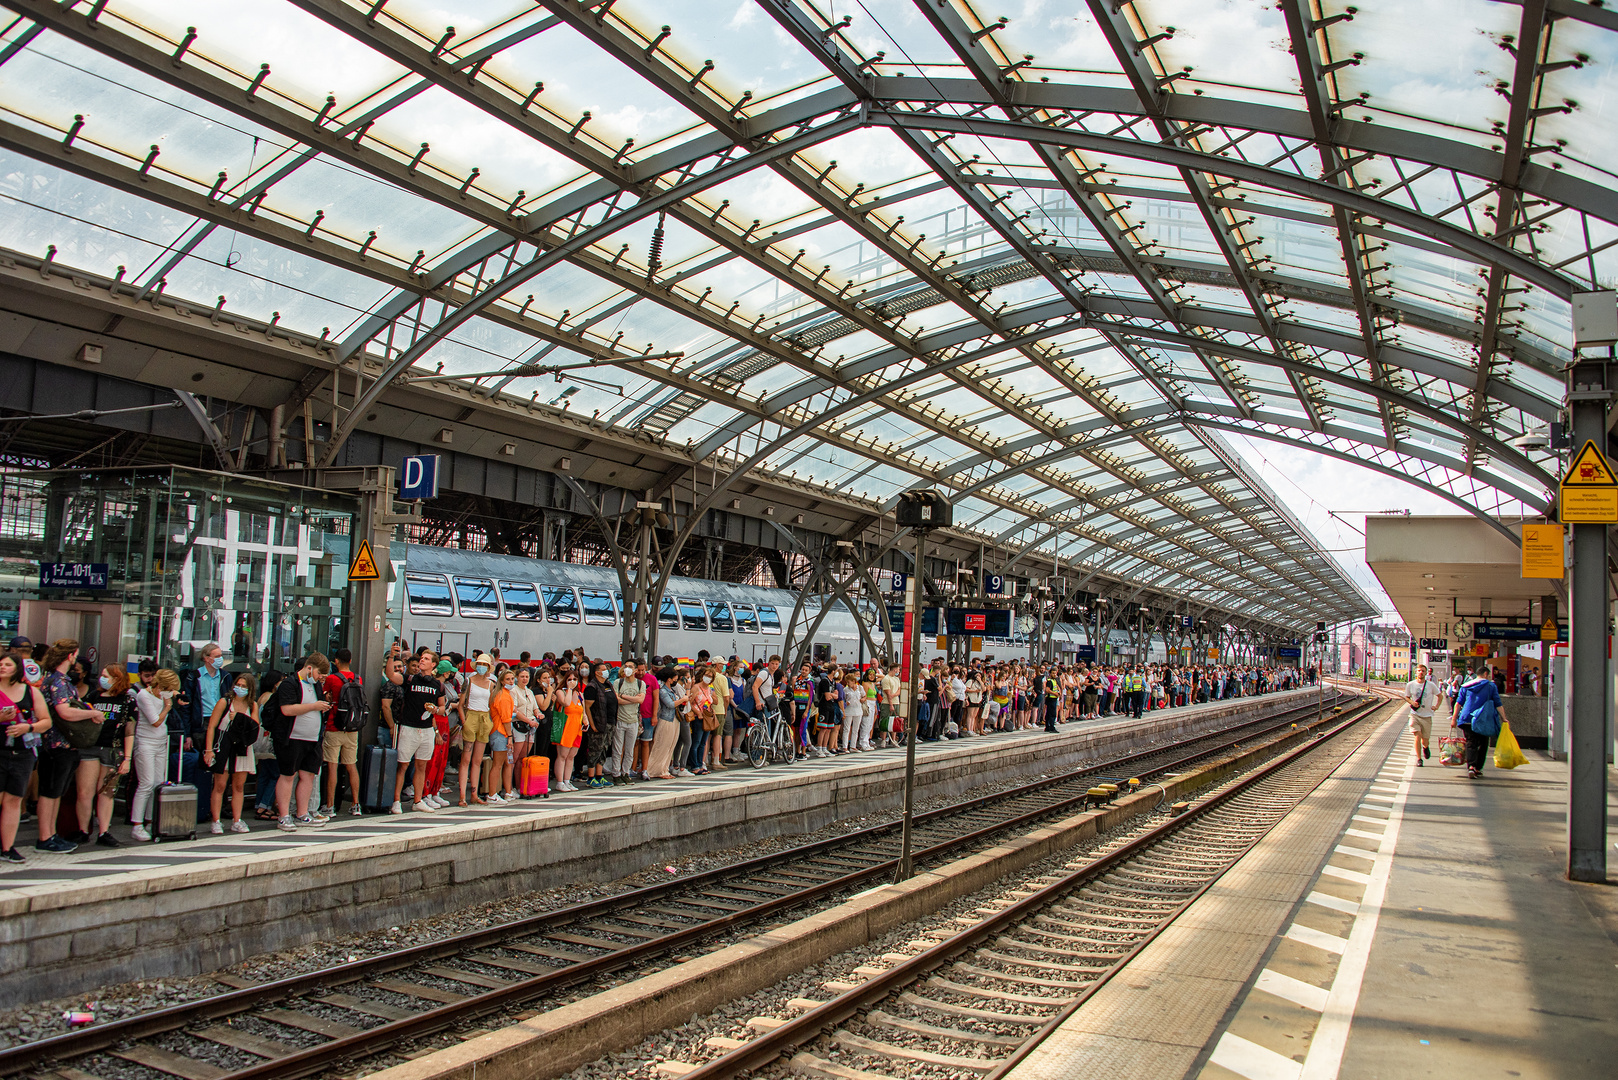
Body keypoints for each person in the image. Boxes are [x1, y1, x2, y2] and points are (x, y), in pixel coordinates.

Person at [37, 639, 98, 853]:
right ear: (70, 656)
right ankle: (45, 836)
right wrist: (92, 713)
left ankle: (51, 834)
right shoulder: (58, 681)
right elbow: (65, 711)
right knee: (50, 791)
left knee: (56, 791)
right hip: (56, 743)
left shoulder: (54, 679)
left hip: (62, 744)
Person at [270, 654, 332, 831]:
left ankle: (302, 813)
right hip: (291, 738)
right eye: (320, 673)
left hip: (312, 739)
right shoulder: (290, 684)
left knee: (308, 775)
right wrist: (314, 706)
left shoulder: (316, 686)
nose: (321, 677)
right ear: (310, 668)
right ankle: (283, 815)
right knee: (288, 775)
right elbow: (287, 709)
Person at [0, 651, 51, 862]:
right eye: (0, 664)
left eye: (7, 664)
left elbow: (46, 721)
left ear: (18, 668)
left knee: (14, 800)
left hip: (22, 753)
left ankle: (7, 847)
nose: (3, 667)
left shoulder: (31, 692)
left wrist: (27, 727)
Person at [76, 665, 134, 847]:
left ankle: (104, 831)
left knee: (107, 793)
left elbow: (130, 730)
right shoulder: (93, 696)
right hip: (91, 746)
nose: (102, 678)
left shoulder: (127, 700)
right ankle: (83, 830)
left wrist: (127, 758)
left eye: (106, 675)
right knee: (85, 792)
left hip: (113, 748)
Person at [388, 651, 445, 813]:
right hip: (408, 727)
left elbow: (442, 708)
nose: (422, 660)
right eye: (421, 658)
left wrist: (435, 710)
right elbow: (391, 675)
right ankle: (396, 801)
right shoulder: (410, 679)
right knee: (403, 765)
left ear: (433, 664)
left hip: (426, 728)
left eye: (426, 659)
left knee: (421, 765)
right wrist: (392, 657)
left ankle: (418, 800)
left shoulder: (437, 685)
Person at [201, 671, 257, 832]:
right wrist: (209, 750)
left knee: (239, 785)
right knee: (220, 784)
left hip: (242, 746)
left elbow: (254, 726)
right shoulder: (224, 702)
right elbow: (212, 726)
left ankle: (237, 819)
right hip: (224, 744)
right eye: (237, 685)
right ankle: (216, 820)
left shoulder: (252, 705)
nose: (239, 688)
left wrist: (238, 718)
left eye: (244, 686)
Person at [129, 668, 179, 842]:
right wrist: (167, 707)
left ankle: (151, 821)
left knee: (158, 783)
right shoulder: (143, 695)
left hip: (160, 743)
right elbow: (155, 721)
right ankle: (137, 824)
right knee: (146, 783)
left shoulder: (161, 695)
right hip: (145, 743)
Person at [320, 649, 364, 817]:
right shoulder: (358, 678)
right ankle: (356, 804)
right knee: (351, 766)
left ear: (336, 661)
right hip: (352, 728)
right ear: (351, 660)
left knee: (332, 767)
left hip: (334, 726)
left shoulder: (332, 678)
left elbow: (325, 696)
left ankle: (330, 806)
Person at [1452, 660, 1507, 780]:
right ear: (1486, 674)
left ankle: (1471, 766)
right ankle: (1477, 768)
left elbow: (1458, 703)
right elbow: (1498, 704)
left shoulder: (1466, 686)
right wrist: (1504, 718)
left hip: (1467, 718)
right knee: (1483, 744)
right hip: (1483, 719)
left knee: (1471, 742)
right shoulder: (1491, 686)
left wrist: (1454, 719)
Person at [456, 653, 497, 805]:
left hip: (484, 717)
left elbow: (491, 704)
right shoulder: (469, 681)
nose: (482, 667)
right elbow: (461, 704)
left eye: (485, 665)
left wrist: (490, 721)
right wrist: (464, 720)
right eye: (480, 664)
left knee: (477, 760)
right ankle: (461, 796)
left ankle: (474, 794)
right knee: (466, 759)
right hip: (471, 716)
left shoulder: (491, 684)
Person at [580, 661, 618, 788]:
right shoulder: (592, 687)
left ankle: (599, 775)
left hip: (610, 722)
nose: (606, 671)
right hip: (598, 723)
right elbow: (588, 707)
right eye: (603, 669)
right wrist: (593, 725)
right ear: (597, 672)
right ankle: (590, 777)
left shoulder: (607, 684)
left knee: (603, 750)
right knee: (594, 750)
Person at [253, 670, 284, 821]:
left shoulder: (261, 697)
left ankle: (259, 803)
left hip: (259, 740)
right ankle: (264, 806)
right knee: (276, 774)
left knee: (265, 773)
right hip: (269, 739)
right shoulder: (272, 698)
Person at [611, 660, 646, 783]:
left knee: (630, 749)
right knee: (617, 748)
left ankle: (625, 772)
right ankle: (616, 773)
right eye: (626, 667)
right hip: (620, 719)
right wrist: (633, 699)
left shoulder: (640, 684)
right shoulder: (618, 682)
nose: (627, 669)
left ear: (635, 670)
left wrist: (624, 697)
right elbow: (617, 700)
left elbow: (641, 700)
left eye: (630, 667)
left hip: (633, 720)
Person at [647, 666, 683, 779]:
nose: (675, 681)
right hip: (666, 719)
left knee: (670, 746)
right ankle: (655, 770)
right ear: (669, 679)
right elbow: (670, 704)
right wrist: (683, 699)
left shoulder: (671, 690)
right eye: (674, 679)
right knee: (662, 745)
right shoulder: (662, 690)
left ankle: (664, 769)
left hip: (674, 720)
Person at [487, 665, 516, 801]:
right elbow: (506, 719)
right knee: (497, 765)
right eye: (508, 679)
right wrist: (510, 736)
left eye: (512, 679)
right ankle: (492, 794)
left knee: (506, 763)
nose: (511, 682)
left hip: (500, 732)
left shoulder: (502, 694)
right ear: (502, 681)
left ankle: (507, 792)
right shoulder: (503, 696)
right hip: (500, 732)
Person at [553, 667, 584, 790]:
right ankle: (559, 781)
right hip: (565, 726)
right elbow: (566, 703)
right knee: (562, 755)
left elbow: (583, 710)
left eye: (575, 679)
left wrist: (585, 720)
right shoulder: (561, 691)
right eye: (570, 679)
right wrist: (569, 689)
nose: (572, 681)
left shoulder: (580, 694)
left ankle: (567, 780)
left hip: (577, 727)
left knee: (571, 755)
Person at [1403, 663, 1439, 765]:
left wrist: (1436, 706)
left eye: (1423, 671)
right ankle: (1419, 759)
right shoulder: (1410, 684)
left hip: (1427, 715)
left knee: (1425, 740)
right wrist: (1412, 703)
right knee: (1417, 736)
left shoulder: (1431, 685)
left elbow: (1440, 696)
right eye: (1419, 671)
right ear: (1416, 672)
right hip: (1415, 714)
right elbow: (1407, 697)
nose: (1421, 672)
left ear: (1426, 673)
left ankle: (1426, 747)